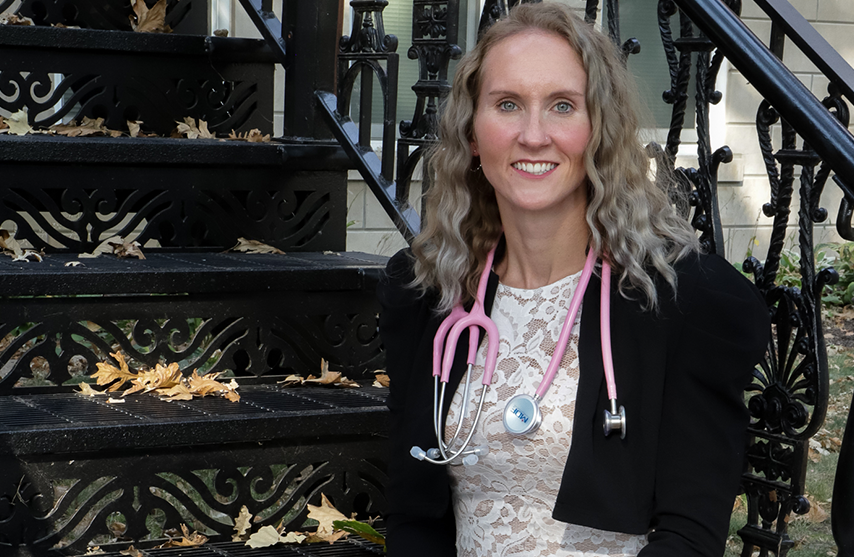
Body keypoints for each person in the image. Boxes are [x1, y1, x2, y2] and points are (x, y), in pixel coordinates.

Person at [376, 3, 769, 556]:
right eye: (507, 104)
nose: (533, 136)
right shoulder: (432, 293)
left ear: (600, 131)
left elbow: (688, 536)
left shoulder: (679, 298)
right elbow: (413, 517)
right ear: (471, 133)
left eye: (563, 106)